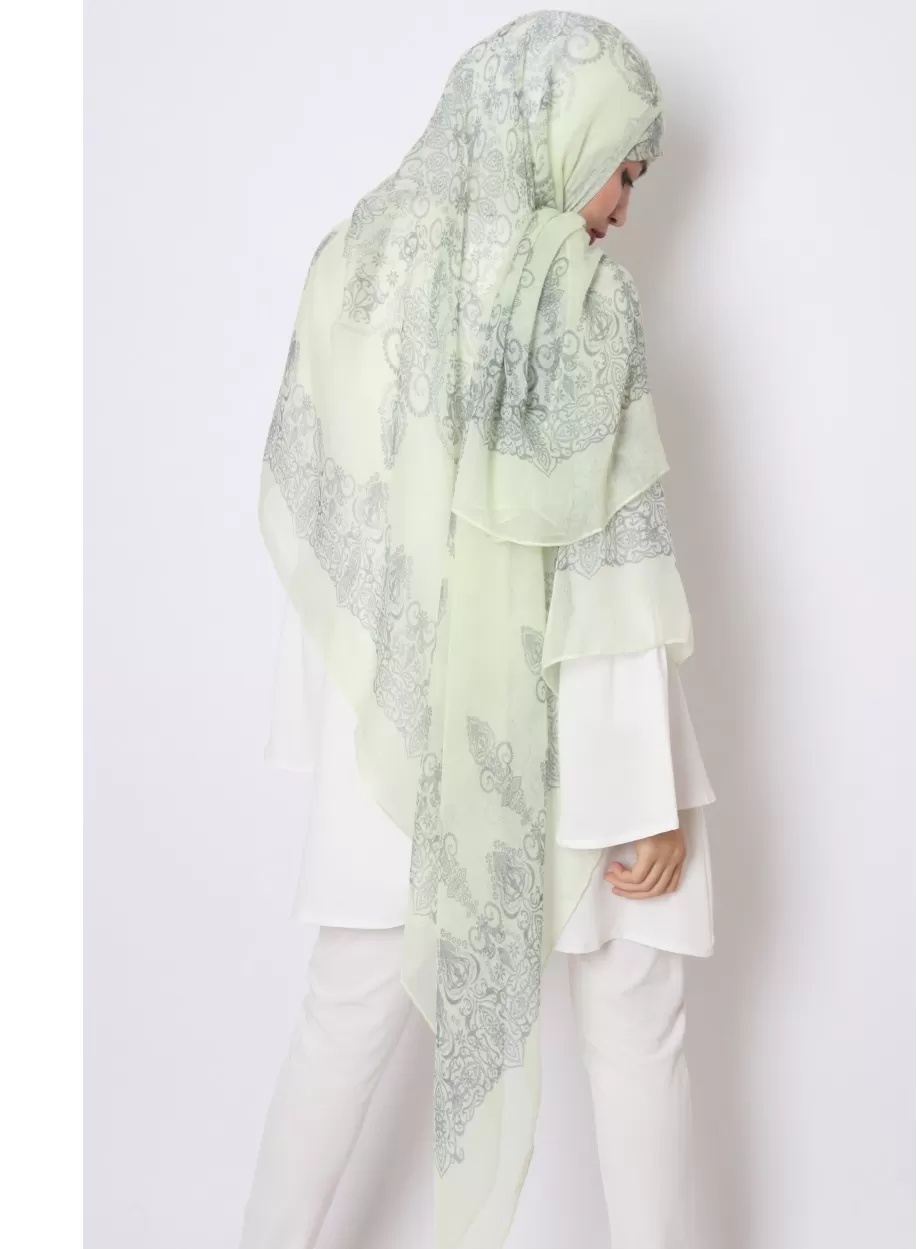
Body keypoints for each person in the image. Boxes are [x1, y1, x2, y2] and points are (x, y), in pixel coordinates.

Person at [242, 11, 717, 1249]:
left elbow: (335, 521)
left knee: (344, 1004)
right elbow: (609, 552)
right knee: (635, 996)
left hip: (392, 717)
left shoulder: (351, 263)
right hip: (573, 719)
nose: (623, 207)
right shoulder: (578, 294)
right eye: (625, 168)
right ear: (566, 135)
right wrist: (645, 789)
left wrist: (362, 720)